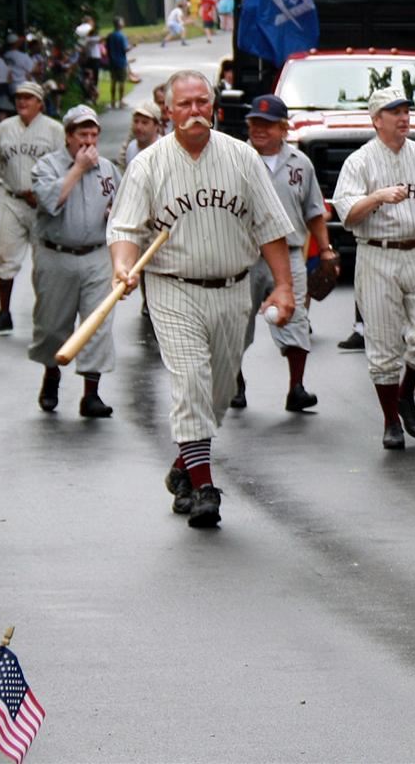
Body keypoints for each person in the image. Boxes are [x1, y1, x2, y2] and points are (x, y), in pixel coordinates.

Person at [106, 70, 297, 529]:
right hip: (173, 287)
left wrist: (284, 285)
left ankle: (183, 466)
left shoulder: (242, 158)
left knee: (219, 392)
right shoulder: (149, 165)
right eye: (185, 104)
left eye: (202, 103)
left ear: (214, 107)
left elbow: (270, 227)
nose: (195, 112)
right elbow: (126, 230)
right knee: (190, 379)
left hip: (232, 287)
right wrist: (122, 265)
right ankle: (205, 487)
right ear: (168, 111)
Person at [332, 89, 415, 448]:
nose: (403, 118)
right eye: (394, 112)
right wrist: (376, 197)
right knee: (384, 344)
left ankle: (406, 395)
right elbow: (346, 215)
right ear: (377, 120)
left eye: (406, 111)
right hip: (377, 254)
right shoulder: (360, 162)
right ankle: (391, 421)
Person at [228, 94, 332, 414]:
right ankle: (235, 382)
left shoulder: (300, 164)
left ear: (284, 128)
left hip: (288, 255)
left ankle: (296, 388)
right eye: (254, 123)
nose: (259, 130)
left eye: (267, 124)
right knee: (235, 323)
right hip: (244, 255)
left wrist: (325, 250)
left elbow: (314, 210)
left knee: (296, 320)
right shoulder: (235, 159)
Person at [26, 105, 120, 417]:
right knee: (53, 325)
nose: (89, 142)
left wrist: (112, 215)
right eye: (82, 135)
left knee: (97, 324)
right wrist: (77, 169)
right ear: (68, 137)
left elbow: (121, 206)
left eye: (94, 135)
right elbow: (51, 201)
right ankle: (52, 374)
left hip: (95, 255)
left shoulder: (107, 168)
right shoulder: (47, 166)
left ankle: (91, 394)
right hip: (57, 254)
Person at [0, 82, 63, 335]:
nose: (22, 102)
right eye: (19, 98)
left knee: (44, 261)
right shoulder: (5, 128)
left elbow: (64, 168)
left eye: (29, 98)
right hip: (13, 197)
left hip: (43, 205)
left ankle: (45, 313)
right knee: (5, 257)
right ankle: (4, 312)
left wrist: (46, 195)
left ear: (40, 102)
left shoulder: (54, 130)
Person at [122, 100, 164, 168]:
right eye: (136, 121)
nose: (138, 127)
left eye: (145, 123)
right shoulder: (131, 148)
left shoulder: (164, 151)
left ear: (157, 126)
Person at [105, 18, 130, 109]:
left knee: (113, 81)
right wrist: (132, 46)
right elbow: (125, 49)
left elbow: (106, 47)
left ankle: (112, 101)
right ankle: (121, 101)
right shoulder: (121, 36)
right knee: (122, 81)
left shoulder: (110, 36)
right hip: (121, 61)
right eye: (122, 22)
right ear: (119, 24)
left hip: (111, 61)